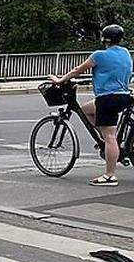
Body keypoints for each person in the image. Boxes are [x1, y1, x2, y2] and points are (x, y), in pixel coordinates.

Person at [50, 24, 132, 186]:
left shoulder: (99, 55)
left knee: (110, 136)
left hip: (107, 98)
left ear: (104, 39)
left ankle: (110, 175)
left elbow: (78, 69)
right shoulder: (125, 52)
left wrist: (60, 80)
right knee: (86, 110)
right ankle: (108, 143)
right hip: (124, 96)